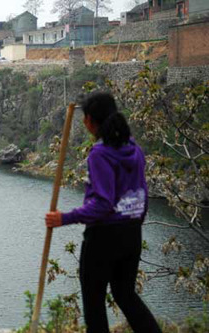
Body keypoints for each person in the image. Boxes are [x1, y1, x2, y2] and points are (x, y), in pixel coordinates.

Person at [45, 92, 161, 333]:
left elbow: (103, 204)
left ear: (88, 120)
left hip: (103, 238)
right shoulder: (134, 149)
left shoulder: (100, 154)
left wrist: (64, 218)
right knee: (125, 295)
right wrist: (135, 222)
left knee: (94, 305)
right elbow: (142, 193)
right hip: (131, 235)